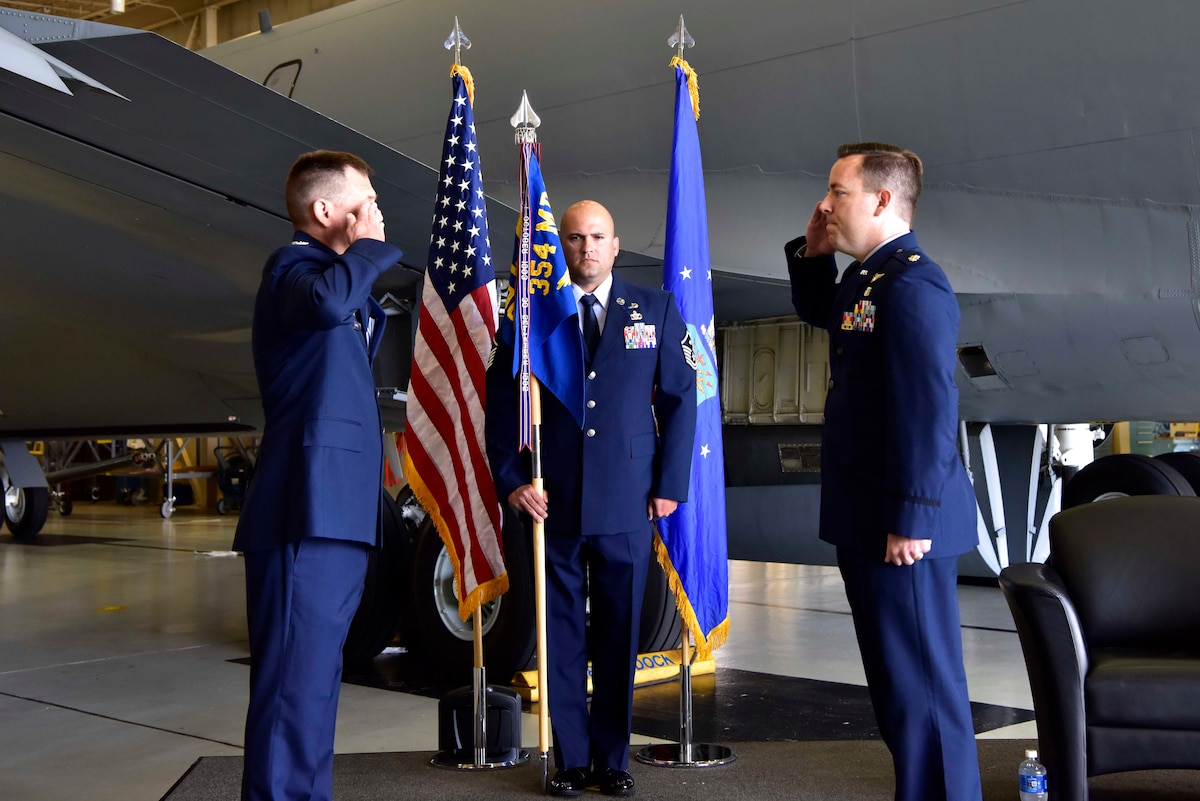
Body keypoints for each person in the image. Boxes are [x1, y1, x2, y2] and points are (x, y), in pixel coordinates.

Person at [786, 143, 982, 801]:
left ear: (881, 200)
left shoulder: (914, 283)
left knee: (924, 690)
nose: (825, 204)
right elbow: (826, 315)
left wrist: (912, 515)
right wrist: (814, 252)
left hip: (902, 527)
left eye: (837, 192)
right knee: (900, 690)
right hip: (870, 518)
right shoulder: (869, 277)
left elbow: (930, 406)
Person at [486, 200, 696, 797]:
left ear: (616, 243)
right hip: (551, 502)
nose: (586, 248)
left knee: (617, 634)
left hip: (630, 502)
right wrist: (512, 479)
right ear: (563, 246)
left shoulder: (653, 309)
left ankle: (612, 759)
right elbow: (500, 405)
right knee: (560, 637)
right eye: (575, 238)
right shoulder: (532, 315)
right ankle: (571, 760)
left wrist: (669, 487)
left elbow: (681, 401)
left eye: (597, 237)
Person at [233, 150, 401, 801]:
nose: (378, 212)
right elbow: (328, 304)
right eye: (366, 198)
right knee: (289, 695)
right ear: (325, 211)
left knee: (313, 688)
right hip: (302, 513)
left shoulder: (334, 283)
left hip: (338, 514)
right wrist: (367, 249)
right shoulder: (292, 268)